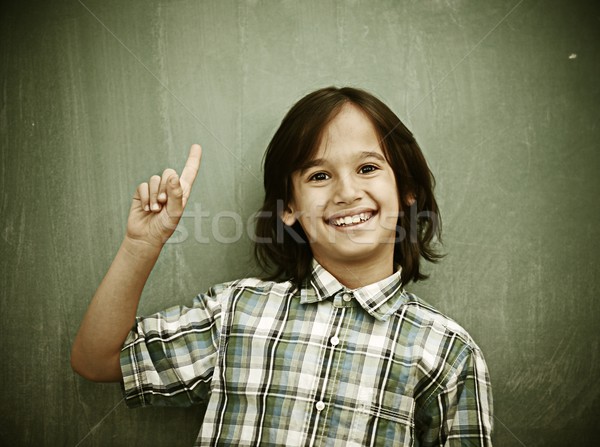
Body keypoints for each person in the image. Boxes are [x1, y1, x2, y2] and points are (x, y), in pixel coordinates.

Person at [71, 87, 493, 446]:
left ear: (407, 192)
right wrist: (142, 243)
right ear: (289, 207)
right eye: (318, 176)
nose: (346, 192)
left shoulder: (449, 353)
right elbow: (97, 360)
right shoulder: (236, 312)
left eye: (367, 168)